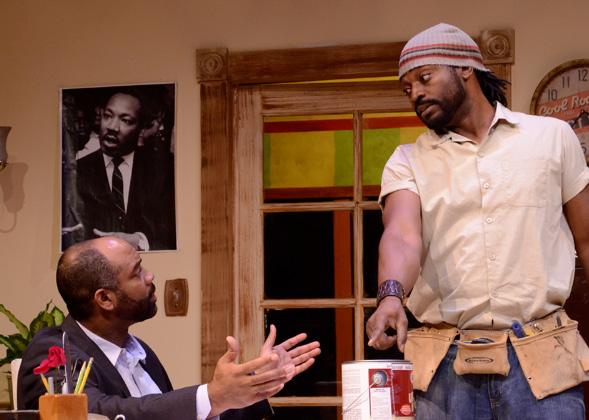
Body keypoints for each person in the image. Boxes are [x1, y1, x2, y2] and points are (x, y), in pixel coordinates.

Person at [365, 23, 589, 419]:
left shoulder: (552, 138)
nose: (415, 93)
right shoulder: (407, 160)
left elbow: (587, 239)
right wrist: (391, 295)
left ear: (465, 68)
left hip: (543, 357)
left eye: (424, 78)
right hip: (444, 368)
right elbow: (401, 236)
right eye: (407, 88)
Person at [18, 236, 321, 419]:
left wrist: (253, 383)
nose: (150, 277)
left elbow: (175, 414)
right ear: (105, 299)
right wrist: (213, 395)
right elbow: (97, 412)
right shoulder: (53, 350)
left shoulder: (139, 351)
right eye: (137, 272)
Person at [71, 87, 176, 251]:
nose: (112, 127)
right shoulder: (78, 171)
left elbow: (174, 234)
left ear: (141, 127)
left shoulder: (162, 171)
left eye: (125, 120)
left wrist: (139, 241)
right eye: (108, 116)